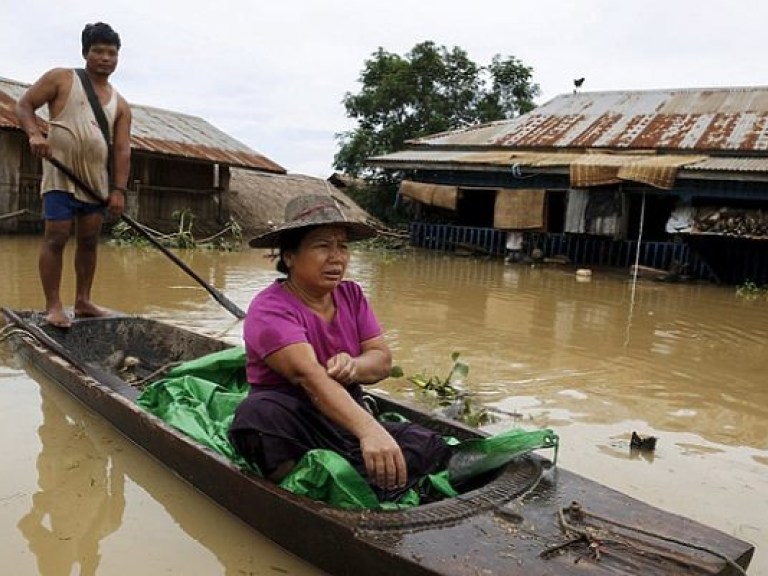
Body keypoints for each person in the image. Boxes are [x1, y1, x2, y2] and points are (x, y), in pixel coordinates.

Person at [229, 195, 451, 500]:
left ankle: (353, 476)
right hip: (294, 422)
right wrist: (369, 431)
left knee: (429, 444)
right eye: (322, 246)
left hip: (343, 417)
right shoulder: (270, 309)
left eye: (342, 246)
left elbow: (382, 360)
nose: (337, 257)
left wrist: (355, 366)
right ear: (290, 256)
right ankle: (302, 487)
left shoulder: (351, 295)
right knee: (256, 417)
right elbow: (310, 378)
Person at [16, 22, 132, 328]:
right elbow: (25, 105)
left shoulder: (121, 104)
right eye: (98, 51)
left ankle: (83, 301)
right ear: (85, 53)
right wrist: (34, 135)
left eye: (112, 53)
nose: (105, 58)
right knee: (56, 236)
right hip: (60, 174)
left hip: (95, 182)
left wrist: (118, 190)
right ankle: (53, 306)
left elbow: (122, 150)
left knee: (90, 240)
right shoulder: (62, 78)